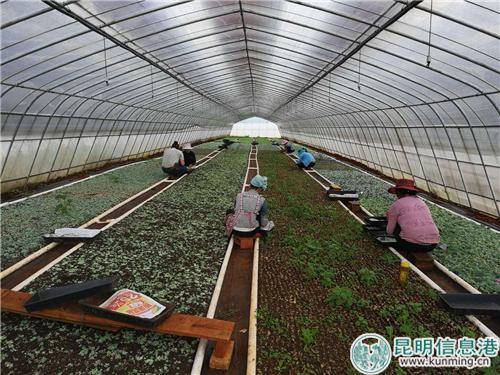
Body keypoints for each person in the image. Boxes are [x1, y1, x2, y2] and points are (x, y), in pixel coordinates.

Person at [385, 179, 440, 253]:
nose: (396, 195)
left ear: (399, 192)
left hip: (411, 245)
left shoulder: (396, 204)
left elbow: (389, 231)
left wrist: (389, 218)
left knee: (396, 227)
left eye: (397, 193)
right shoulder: (421, 202)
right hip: (432, 245)